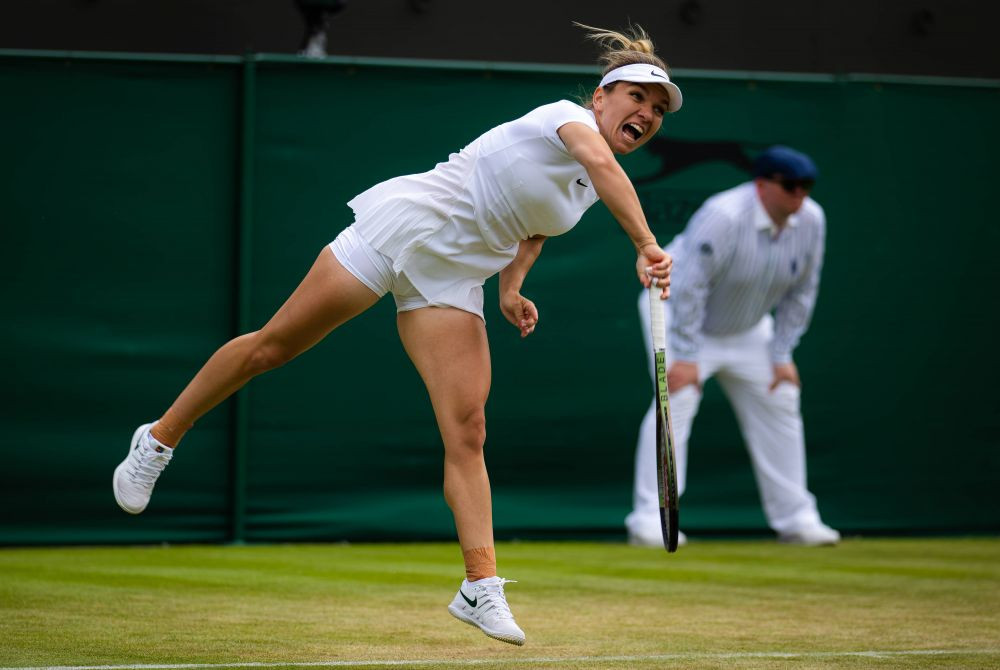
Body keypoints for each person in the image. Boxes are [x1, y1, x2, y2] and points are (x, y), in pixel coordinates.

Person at [112, 23, 680, 646]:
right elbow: (599, 164)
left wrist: (511, 287)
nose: (647, 114)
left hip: (457, 275)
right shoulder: (564, 118)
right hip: (408, 226)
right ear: (601, 97)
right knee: (273, 347)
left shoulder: (589, 188)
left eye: (657, 110)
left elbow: (534, 231)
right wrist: (647, 244)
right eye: (637, 98)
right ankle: (160, 438)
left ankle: (479, 587)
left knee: (467, 429)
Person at [626, 146, 841, 548]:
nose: (800, 196)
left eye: (807, 188)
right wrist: (686, 357)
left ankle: (797, 519)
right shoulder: (723, 216)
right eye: (791, 187)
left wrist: (781, 354)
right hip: (677, 315)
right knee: (676, 403)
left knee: (783, 397)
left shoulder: (812, 220)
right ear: (762, 185)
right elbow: (689, 287)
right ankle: (650, 522)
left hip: (748, 328)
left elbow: (803, 291)